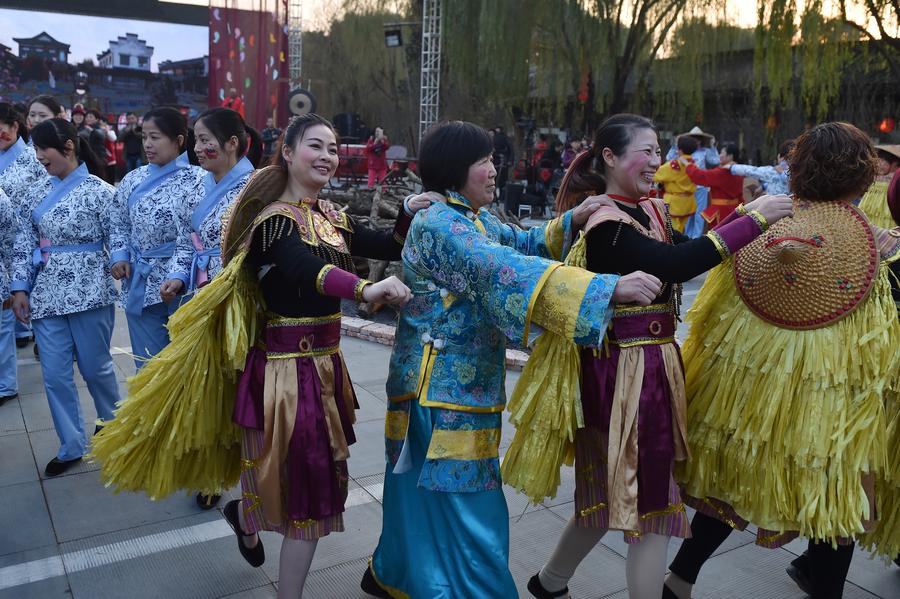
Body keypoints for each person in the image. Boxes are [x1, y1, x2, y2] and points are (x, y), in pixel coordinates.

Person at [363, 120, 664, 599]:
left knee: (420, 494)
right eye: (483, 161)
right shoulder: (441, 224)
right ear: (456, 169)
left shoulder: (467, 218)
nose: (493, 169)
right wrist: (605, 290)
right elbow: (501, 269)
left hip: (445, 386)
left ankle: (394, 574)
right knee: (470, 506)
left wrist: (571, 219)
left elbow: (516, 243)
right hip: (442, 392)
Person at [520, 113, 792, 599]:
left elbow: (694, 251)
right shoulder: (604, 222)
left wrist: (754, 227)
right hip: (626, 376)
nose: (657, 160)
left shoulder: (654, 211)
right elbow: (676, 264)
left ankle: (549, 583)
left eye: (658, 148)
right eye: (645, 150)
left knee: (607, 495)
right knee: (651, 508)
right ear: (609, 157)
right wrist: (752, 219)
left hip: (649, 368)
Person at [664, 122, 900, 599]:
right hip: (830, 396)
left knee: (730, 484)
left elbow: (713, 317)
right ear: (861, 178)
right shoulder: (877, 250)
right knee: (836, 496)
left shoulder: (759, 227)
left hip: (749, 390)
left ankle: (679, 579)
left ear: (799, 172)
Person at [10, 118, 120, 477]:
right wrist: (19, 288)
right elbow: (24, 244)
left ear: (69, 147)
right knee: (55, 375)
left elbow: (118, 240)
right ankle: (71, 444)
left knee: (96, 368)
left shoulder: (102, 192)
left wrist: (123, 265)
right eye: (36, 148)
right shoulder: (32, 193)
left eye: (44, 149)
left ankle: (113, 425)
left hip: (91, 292)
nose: (38, 156)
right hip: (46, 295)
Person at [169, 106, 261, 509]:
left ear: (233, 144)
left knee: (239, 386)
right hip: (201, 295)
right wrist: (177, 276)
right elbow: (184, 241)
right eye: (196, 139)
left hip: (241, 300)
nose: (199, 147)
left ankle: (250, 470)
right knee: (206, 388)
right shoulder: (197, 185)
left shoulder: (259, 186)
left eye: (207, 140)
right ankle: (210, 472)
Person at [109, 107, 205, 371]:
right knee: (148, 367)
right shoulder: (132, 179)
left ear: (179, 141)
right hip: (141, 277)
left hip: (187, 282)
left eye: (155, 137)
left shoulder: (200, 179)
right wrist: (119, 256)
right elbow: (118, 222)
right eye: (144, 137)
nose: (148, 145)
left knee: (186, 367)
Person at [0, 102, 51, 362]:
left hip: (26, 231)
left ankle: (34, 331)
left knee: (25, 283)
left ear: (14, 127)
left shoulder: (34, 157)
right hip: (2, 234)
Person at [685, 142, 744, 227]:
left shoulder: (723, 172)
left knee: (718, 237)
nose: (720, 156)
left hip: (722, 213)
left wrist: (688, 166)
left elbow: (701, 176)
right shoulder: (740, 170)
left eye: (722, 153)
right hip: (735, 209)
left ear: (730, 156)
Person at [653, 135, 699, 233]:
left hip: (674, 204)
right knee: (682, 230)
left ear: (680, 150)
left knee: (672, 232)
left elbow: (654, 175)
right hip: (688, 202)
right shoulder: (694, 165)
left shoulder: (673, 166)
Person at [730, 138, 794, 196]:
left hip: (774, 207)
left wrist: (732, 167)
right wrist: (764, 186)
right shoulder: (799, 172)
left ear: (780, 156)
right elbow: (777, 181)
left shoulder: (774, 172)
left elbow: (752, 171)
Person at [859, 144, 900, 228]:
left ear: (895, 164)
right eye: (879, 160)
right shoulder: (873, 175)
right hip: (869, 210)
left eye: (884, 161)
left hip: (887, 213)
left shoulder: (895, 179)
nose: (879, 164)